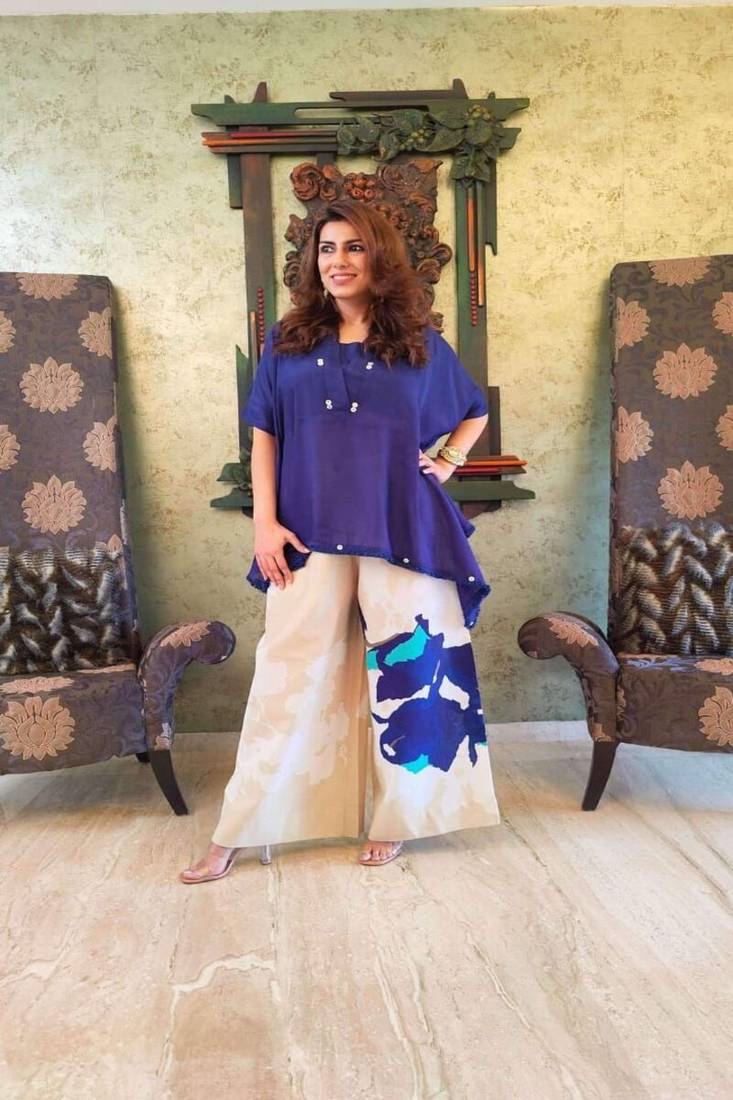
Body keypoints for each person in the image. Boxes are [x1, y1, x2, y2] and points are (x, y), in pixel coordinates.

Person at [180, 198, 501, 883]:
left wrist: (446, 463)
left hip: (403, 525)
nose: (338, 261)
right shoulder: (289, 341)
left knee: (413, 668)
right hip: (307, 527)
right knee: (287, 674)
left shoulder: (418, 342)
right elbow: (264, 437)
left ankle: (399, 818)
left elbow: (474, 410)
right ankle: (240, 828)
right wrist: (265, 524)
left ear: (379, 256)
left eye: (353, 247)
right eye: (326, 249)